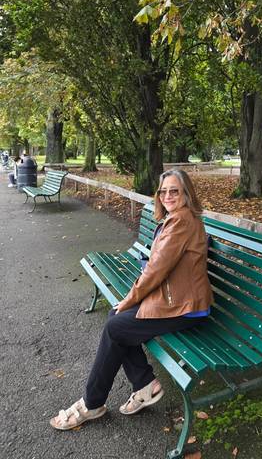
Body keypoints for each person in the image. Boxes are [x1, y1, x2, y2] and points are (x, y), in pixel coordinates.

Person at [50, 169, 212, 430]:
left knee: (116, 325)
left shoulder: (181, 222)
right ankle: (144, 384)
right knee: (116, 319)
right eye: (164, 191)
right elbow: (165, 266)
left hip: (186, 308)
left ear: (186, 194)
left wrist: (129, 298)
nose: (168, 195)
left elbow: (156, 271)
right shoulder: (177, 219)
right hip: (175, 297)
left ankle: (92, 403)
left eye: (175, 191)